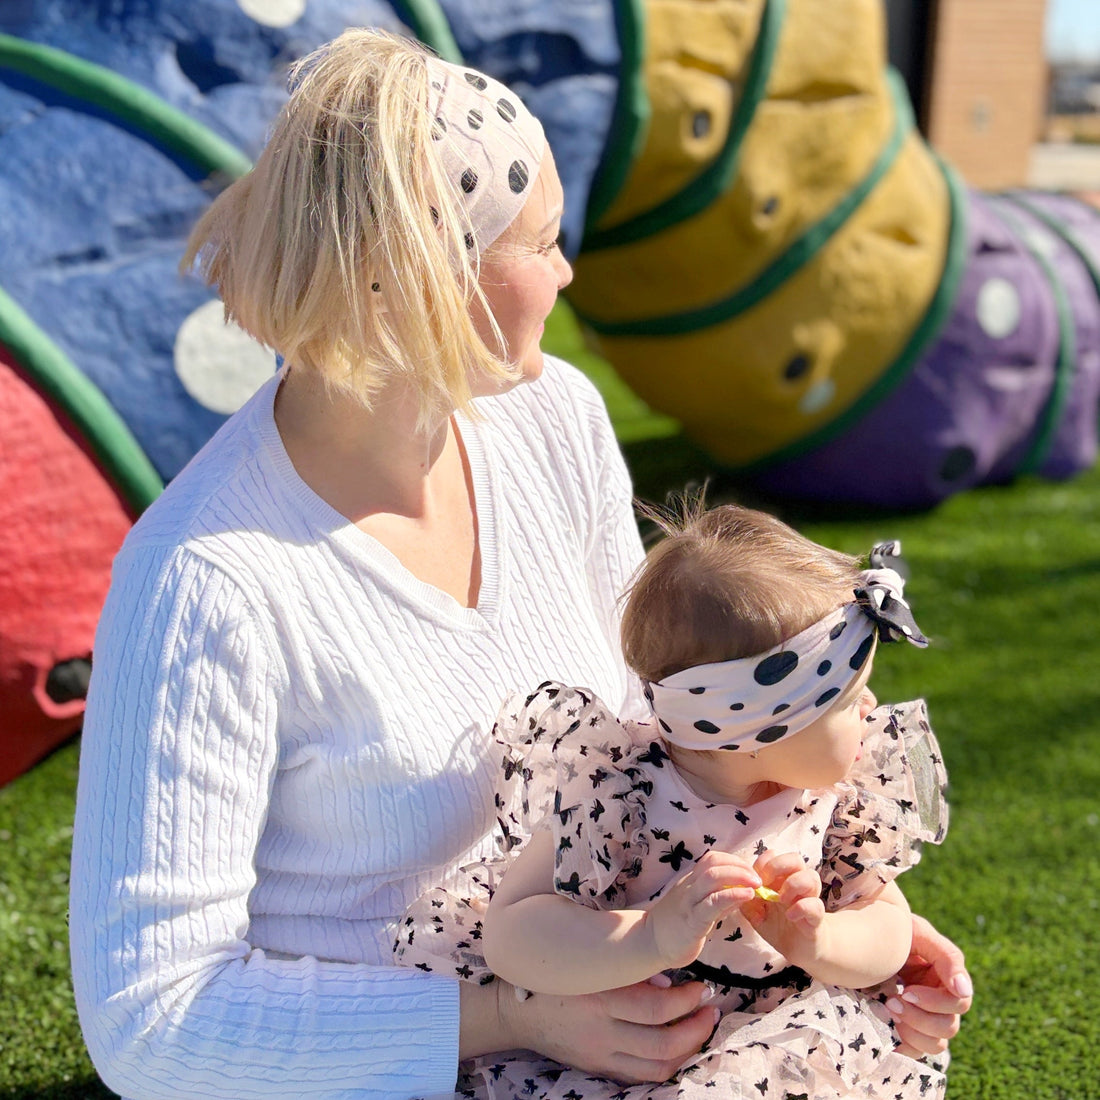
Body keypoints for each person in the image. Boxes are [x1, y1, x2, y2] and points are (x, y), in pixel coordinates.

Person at [67, 27, 970, 1100]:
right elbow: (152, 1022)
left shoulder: (550, 417)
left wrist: (834, 931)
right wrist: (508, 1013)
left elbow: (659, 736)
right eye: (537, 240)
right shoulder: (207, 579)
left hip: (619, 990)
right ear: (416, 280)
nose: (565, 269)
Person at [396, 504, 961, 1099]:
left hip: (782, 1041)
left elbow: (888, 927)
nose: (872, 707)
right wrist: (650, 937)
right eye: (846, 701)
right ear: (753, 732)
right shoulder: (619, 792)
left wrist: (820, 942)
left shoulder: (832, 800)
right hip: (628, 1050)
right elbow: (514, 934)